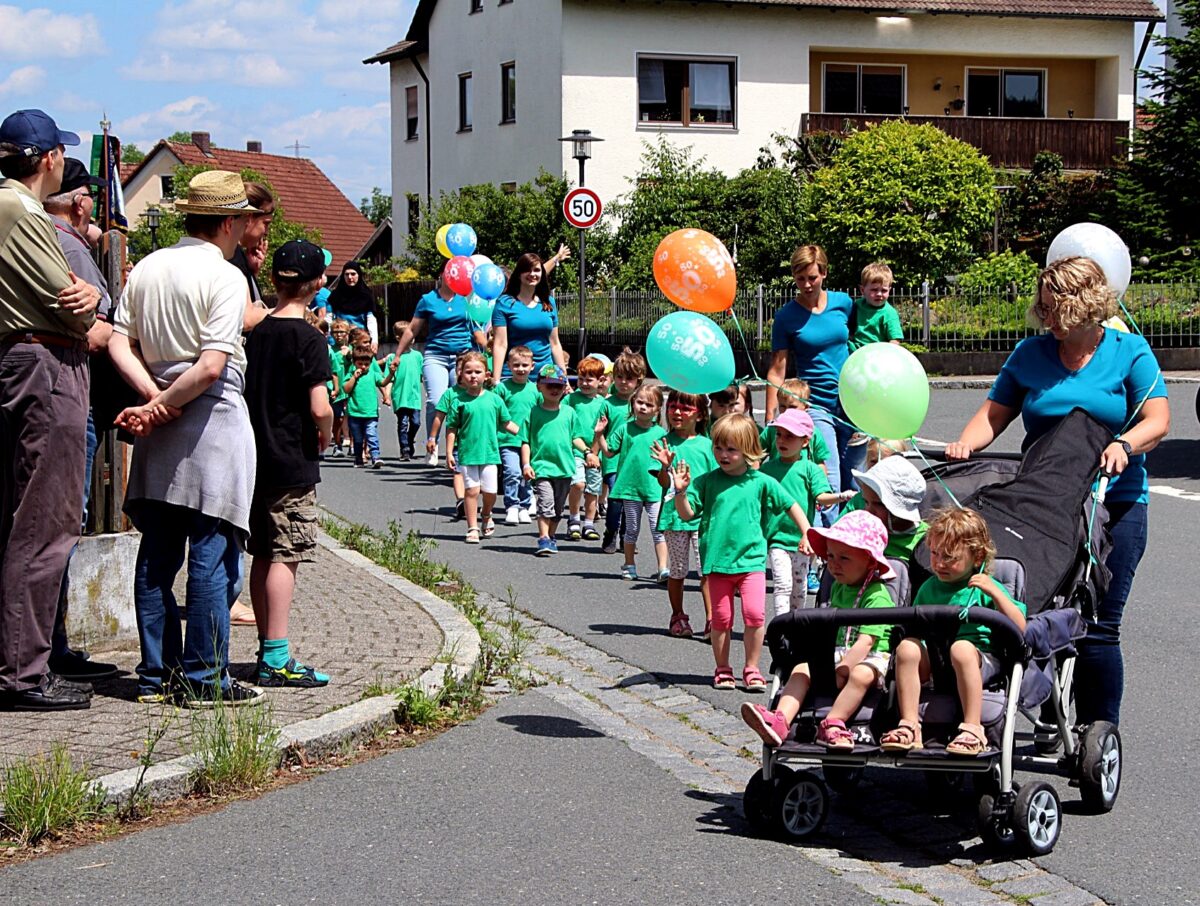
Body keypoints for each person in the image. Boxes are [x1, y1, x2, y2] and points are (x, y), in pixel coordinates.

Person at [945, 256, 1169, 727]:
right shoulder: (1030, 355)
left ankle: (1098, 731)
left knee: (1099, 626)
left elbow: (1158, 420)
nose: (1043, 317)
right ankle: (1050, 716)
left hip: (1116, 501)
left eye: (1052, 308)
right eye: (1040, 308)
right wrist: (966, 443)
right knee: (1042, 611)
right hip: (1045, 505)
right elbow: (992, 416)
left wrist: (1124, 444)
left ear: (1083, 306)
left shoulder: (1130, 352)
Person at [107, 169, 262, 706]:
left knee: (157, 553)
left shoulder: (148, 266)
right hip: (209, 424)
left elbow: (118, 344)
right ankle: (203, 678)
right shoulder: (224, 276)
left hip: (159, 422)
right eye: (243, 218)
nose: (246, 228)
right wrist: (162, 403)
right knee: (211, 556)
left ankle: (155, 675)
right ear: (228, 221)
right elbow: (212, 365)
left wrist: (151, 397)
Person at [0, 108, 100, 711]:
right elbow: (76, 310)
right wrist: (87, 298)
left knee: (19, 518)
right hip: (45, 363)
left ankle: (17, 662)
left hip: (20, 359)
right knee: (45, 523)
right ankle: (23, 673)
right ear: (48, 158)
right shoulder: (19, 208)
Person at [243, 240, 333, 688]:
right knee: (288, 554)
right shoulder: (310, 339)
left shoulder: (257, 332)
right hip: (291, 460)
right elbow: (319, 406)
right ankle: (276, 656)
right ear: (317, 284)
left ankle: (266, 646)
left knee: (262, 552)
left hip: (254, 458)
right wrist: (329, 433)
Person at [43, 157, 119, 681]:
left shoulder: (49, 238)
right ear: (78, 201)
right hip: (71, 395)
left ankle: (47, 644)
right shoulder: (67, 244)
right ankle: (51, 647)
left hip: (62, 394)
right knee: (62, 522)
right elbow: (97, 328)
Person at [671, 414, 812, 692]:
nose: (723, 455)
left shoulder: (760, 481)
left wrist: (807, 531)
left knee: (755, 615)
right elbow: (687, 515)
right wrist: (680, 493)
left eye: (731, 449)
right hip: (718, 564)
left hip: (752, 562)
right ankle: (722, 668)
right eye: (719, 448)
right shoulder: (706, 481)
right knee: (721, 620)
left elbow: (791, 504)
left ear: (748, 450)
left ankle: (751, 667)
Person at [740, 510, 895, 749]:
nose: (833, 565)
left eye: (844, 558)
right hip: (839, 650)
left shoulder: (878, 595)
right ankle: (780, 720)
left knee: (860, 675)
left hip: (870, 657)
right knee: (802, 668)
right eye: (830, 556)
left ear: (870, 561)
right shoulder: (839, 589)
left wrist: (844, 668)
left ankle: (834, 722)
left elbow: (867, 641)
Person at [881, 508, 1027, 755]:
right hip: (938, 659)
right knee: (907, 647)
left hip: (980, 659)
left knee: (961, 649)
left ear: (977, 557)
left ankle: (973, 727)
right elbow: (915, 626)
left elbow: (1020, 627)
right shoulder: (929, 587)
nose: (939, 563)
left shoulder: (987, 586)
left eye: (949, 557)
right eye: (935, 554)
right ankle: (909, 725)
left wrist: (996, 593)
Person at [766, 244, 860, 494]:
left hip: (851, 402)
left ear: (824, 273)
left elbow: (859, 339)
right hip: (814, 405)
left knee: (855, 479)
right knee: (829, 481)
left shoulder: (844, 303)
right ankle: (825, 532)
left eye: (812, 278)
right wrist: (771, 417)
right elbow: (777, 369)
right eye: (800, 279)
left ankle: (851, 531)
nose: (806, 285)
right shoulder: (786, 316)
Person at [760, 408, 847, 616]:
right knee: (782, 584)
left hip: (802, 540)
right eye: (779, 434)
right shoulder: (766, 470)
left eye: (790, 436)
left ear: (805, 442)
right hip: (775, 539)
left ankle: (795, 623)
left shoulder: (810, 469)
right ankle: (779, 625)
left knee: (799, 589)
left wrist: (841, 497)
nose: (782, 440)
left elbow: (821, 497)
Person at [393, 272, 486, 464]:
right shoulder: (428, 299)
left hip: (463, 356)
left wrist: (490, 347)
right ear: (442, 277)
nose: (452, 277)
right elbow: (412, 329)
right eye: (448, 273)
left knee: (461, 402)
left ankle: (459, 450)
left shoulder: (467, 299)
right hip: (436, 355)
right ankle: (432, 444)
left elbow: (477, 329)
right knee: (436, 400)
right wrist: (398, 354)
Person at [649, 390, 716, 639]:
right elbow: (663, 482)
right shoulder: (663, 443)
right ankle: (678, 615)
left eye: (685, 408)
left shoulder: (709, 445)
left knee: (707, 572)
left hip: (703, 518)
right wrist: (666, 465)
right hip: (674, 518)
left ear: (699, 414)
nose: (677, 412)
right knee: (677, 571)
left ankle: (712, 620)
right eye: (673, 406)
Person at [445, 351, 519, 543]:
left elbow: (507, 423)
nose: (473, 375)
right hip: (468, 454)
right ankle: (472, 527)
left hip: (490, 454)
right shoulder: (458, 401)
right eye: (468, 371)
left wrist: (526, 435)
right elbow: (452, 427)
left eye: (478, 371)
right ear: (461, 375)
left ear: (486, 374)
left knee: (491, 491)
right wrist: (448, 452)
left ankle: (486, 514)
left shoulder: (494, 400)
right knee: (471, 491)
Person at [597, 384, 669, 582]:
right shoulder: (624, 428)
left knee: (658, 529)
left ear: (657, 409)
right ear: (632, 403)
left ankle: (663, 568)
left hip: (654, 488)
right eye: (639, 402)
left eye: (649, 404)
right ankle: (629, 565)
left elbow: (668, 459)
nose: (643, 407)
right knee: (632, 529)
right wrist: (599, 434)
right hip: (630, 489)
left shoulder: (661, 434)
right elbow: (609, 451)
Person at [521, 365, 577, 556]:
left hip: (564, 468)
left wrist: (588, 452)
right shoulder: (533, 412)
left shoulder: (569, 412)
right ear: (539, 387)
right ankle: (544, 537)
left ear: (564, 388)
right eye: (549, 385)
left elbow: (575, 437)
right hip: (541, 467)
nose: (554, 389)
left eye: (559, 386)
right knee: (545, 503)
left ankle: (551, 536)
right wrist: (526, 464)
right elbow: (526, 441)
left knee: (558, 508)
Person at [489, 252, 567, 384]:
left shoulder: (549, 302)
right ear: (519, 273)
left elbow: (555, 344)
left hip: (546, 375)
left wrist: (564, 376)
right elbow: (500, 344)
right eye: (527, 270)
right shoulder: (504, 303)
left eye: (536, 270)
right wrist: (496, 379)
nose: (532, 274)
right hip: (515, 374)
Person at [598, 348, 645, 554]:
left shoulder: (642, 404)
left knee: (632, 502)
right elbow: (598, 432)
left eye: (629, 378)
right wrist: (593, 453)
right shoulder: (607, 404)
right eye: (619, 377)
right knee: (616, 500)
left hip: (634, 462)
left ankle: (628, 536)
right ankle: (611, 530)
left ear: (639, 380)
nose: (624, 382)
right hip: (612, 460)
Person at [566, 356, 608, 541]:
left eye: (589, 379)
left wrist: (595, 454)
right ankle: (574, 519)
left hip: (596, 454)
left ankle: (589, 523)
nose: (584, 383)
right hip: (576, 450)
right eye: (581, 378)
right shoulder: (570, 399)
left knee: (593, 489)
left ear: (600, 381)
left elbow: (603, 431)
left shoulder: (603, 403)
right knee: (578, 483)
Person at [495, 345, 538, 524]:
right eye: (516, 365)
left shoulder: (536, 390)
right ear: (508, 366)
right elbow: (495, 412)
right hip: (507, 440)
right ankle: (512, 506)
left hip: (529, 441)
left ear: (532, 366)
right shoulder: (502, 388)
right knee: (512, 472)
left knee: (527, 474)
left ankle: (525, 506)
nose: (520, 369)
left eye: (524, 365)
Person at [381, 319, 423, 461]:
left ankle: (410, 440)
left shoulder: (418, 356)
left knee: (416, 422)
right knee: (403, 422)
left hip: (415, 396)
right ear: (399, 338)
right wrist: (386, 394)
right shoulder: (393, 358)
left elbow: (423, 376)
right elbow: (389, 379)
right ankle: (404, 449)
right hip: (400, 396)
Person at [341, 344, 385, 468]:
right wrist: (354, 377)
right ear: (355, 363)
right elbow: (346, 389)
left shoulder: (373, 374)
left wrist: (391, 374)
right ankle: (358, 458)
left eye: (366, 364)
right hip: (355, 413)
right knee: (358, 438)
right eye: (360, 364)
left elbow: (383, 382)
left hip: (370, 412)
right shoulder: (350, 375)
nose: (363, 367)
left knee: (371, 434)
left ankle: (375, 456)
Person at [848, 261, 904, 351]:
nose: (879, 294)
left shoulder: (889, 313)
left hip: (876, 354)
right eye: (874, 290)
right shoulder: (856, 306)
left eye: (884, 290)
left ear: (889, 290)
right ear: (862, 290)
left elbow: (895, 340)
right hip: (854, 353)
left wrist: (885, 353)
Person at [327, 261, 377, 346]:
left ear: (359, 275)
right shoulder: (335, 296)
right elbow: (328, 318)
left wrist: (374, 341)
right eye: (347, 274)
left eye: (353, 274)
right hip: (339, 339)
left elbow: (371, 320)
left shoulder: (366, 296)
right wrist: (328, 339)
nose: (350, 277)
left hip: (360, 339)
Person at [327, 319, 351, 455]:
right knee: (338, 417)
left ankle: (354, 443)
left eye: (341, 332)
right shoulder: (330, 350)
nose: (338, 335)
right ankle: (337, 444)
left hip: (350, 388)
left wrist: (349, 354)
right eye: (335, 332)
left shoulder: (351, 349)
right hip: (335, 388)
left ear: (347, 333)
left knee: (353, 416)